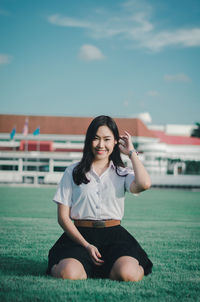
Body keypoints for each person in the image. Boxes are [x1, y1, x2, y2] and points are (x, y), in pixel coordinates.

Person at [47, 115, 153, 281]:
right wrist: (86, 245)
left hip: (114, 236)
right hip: (79, 236)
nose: (101, 145)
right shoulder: (73, 171)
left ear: (115, 142)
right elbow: (63, 218)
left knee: (128, 274)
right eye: (96, 139)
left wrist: (131, 153)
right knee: (68, 274)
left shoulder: (122, 172)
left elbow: (145, 183)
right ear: (89, 140)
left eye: (106, 139)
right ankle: (79, 267)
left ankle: (106, 270)